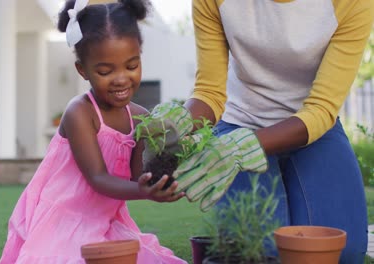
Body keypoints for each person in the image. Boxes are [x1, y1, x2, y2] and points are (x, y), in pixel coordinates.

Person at [140, 0, 374, 263]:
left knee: (340, 250)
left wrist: (244, 147)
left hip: (314, 131)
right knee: (258, 252)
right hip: (239, 123)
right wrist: (182, 119)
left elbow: (321, 108)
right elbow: (210, 92)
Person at [0, 0, 186, 263]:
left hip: (105, 221)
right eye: (105, 71)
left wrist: (166, 180)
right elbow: (98, 178)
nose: (121, 78)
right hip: (61, 221)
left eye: (131, 66)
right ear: (82, 70)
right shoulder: (80, 113)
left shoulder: (141, 118)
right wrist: (145, 191)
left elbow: (135, 177)